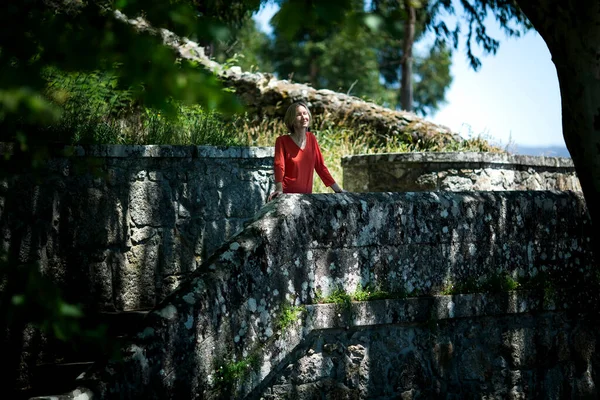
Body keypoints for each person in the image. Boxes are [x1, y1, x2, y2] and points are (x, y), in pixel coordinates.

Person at [268, 101, 345, 201]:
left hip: (306, 197)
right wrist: (279, 189)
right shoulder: (282, 141)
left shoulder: (312, 139)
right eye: (299, 115)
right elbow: (279, 165)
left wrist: (338, 190)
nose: (304, 117)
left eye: (305, 113)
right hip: (287, 195)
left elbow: (320, 167)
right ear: (291, 120)